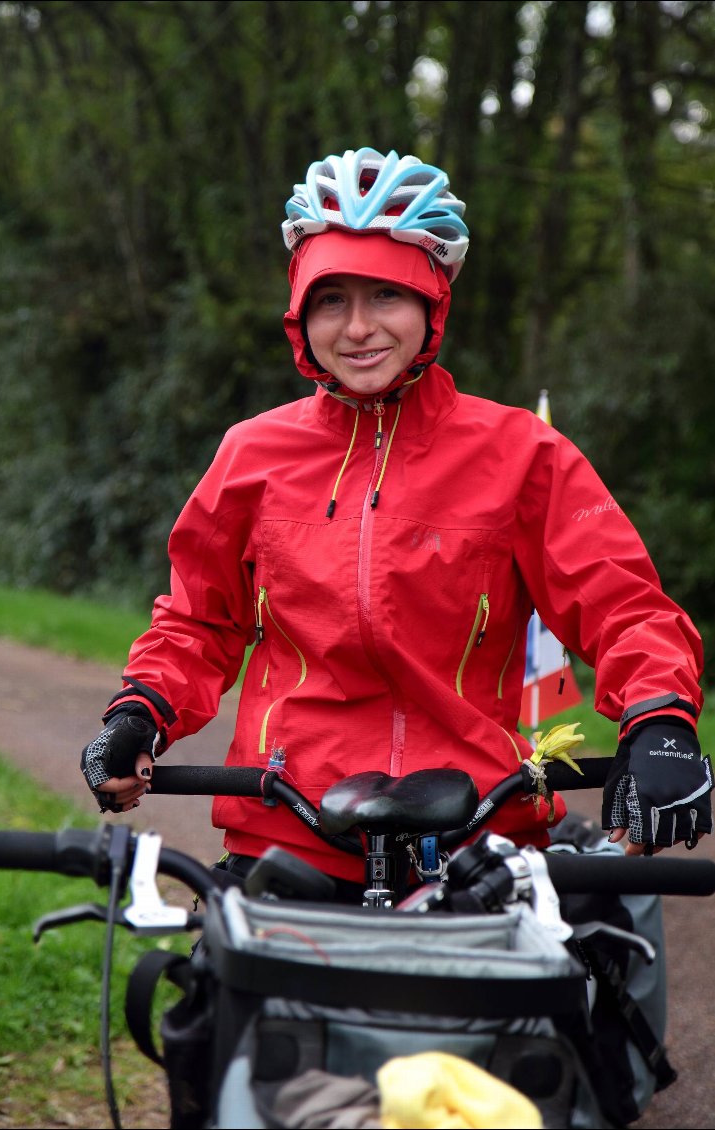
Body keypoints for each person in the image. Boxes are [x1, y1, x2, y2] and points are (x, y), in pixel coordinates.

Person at [80, 146, 711, 894]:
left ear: (431, 304)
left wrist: (658, 719)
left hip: (482, 832)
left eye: (385, 295)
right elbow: (198, 621)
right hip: (288, 828)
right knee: (222, 1001)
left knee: (573, 999)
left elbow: (622, 606)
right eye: (330, 298)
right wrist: (139, 712)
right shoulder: (251, 453)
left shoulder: (521, 453)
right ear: (298, 311)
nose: (356, 328)